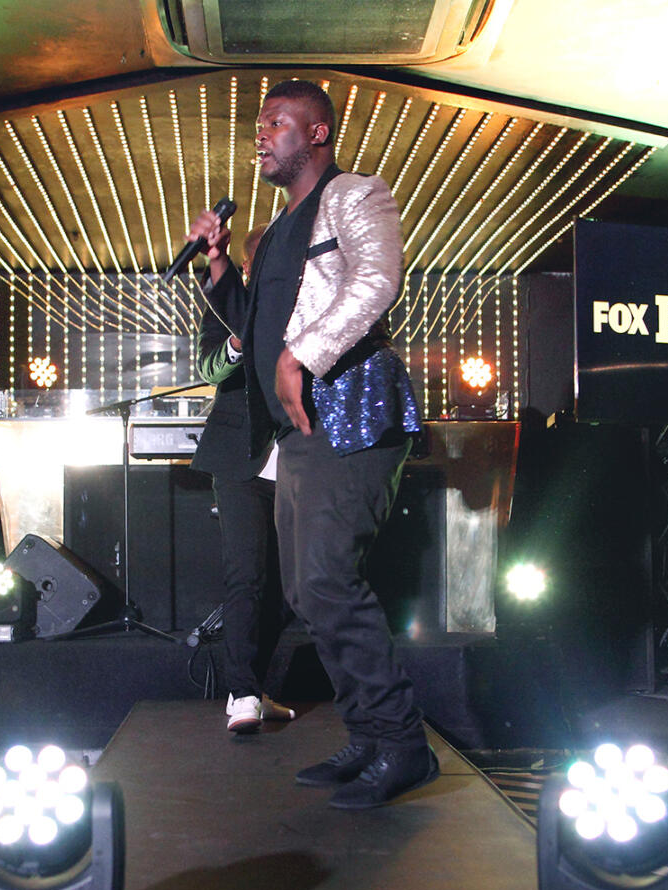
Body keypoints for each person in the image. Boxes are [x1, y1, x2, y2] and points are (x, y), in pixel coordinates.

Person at [187, 80, 430, 809]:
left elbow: (379, 279)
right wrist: (219, 262)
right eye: (259, 126)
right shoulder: (273, 233)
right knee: (302, 590)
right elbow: (253, 329)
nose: (261, 135)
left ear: (317, 133)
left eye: (276, 123)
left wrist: (304, 354)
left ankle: (404, 746)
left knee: (326, 580)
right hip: (295, 430)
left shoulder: (355, 194)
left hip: (348, 409)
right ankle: (369, 736)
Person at [191, 227, 293, 735]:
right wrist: (235, 343)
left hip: (296, 461)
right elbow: (210, 368)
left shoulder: (305, 308)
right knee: (246, 576)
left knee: (288, 589)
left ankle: (254, 687)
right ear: (251, 269)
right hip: (239, 460)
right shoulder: (228, 307)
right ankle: (243, 693)